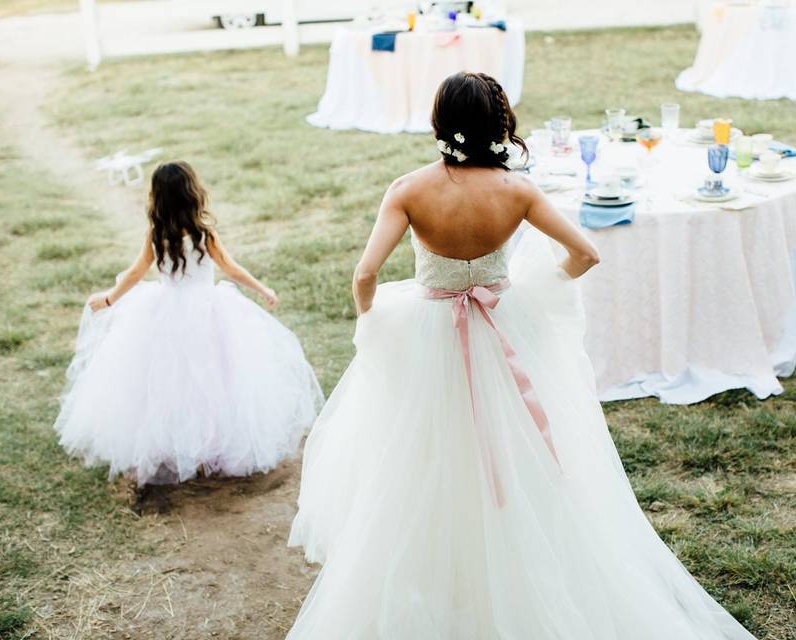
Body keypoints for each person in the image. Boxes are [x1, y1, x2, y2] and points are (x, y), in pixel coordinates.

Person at [286, 72, 755, 639]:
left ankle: (440, 571)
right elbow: (584, 254)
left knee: (426, 449)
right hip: (505, 325)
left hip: (428, 328)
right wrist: (541, 292)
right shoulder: (519, 191)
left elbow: (365, 274)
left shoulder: (408, 189)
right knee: (515, 446)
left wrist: (373, 318)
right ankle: (516, 556)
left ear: (440, 122)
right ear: (499, 122)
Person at [54, 161, 323, 488]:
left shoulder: (157, 234)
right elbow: (232, 269)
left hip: (165, 313)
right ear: (192, 193)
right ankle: (207, 449)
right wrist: (262, 289)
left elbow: (136, 272)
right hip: (208, 312)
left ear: (158, 198)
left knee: (168, 382)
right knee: (215, 380)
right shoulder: (202, 232)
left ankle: (179, 447)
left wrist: (112, 297)